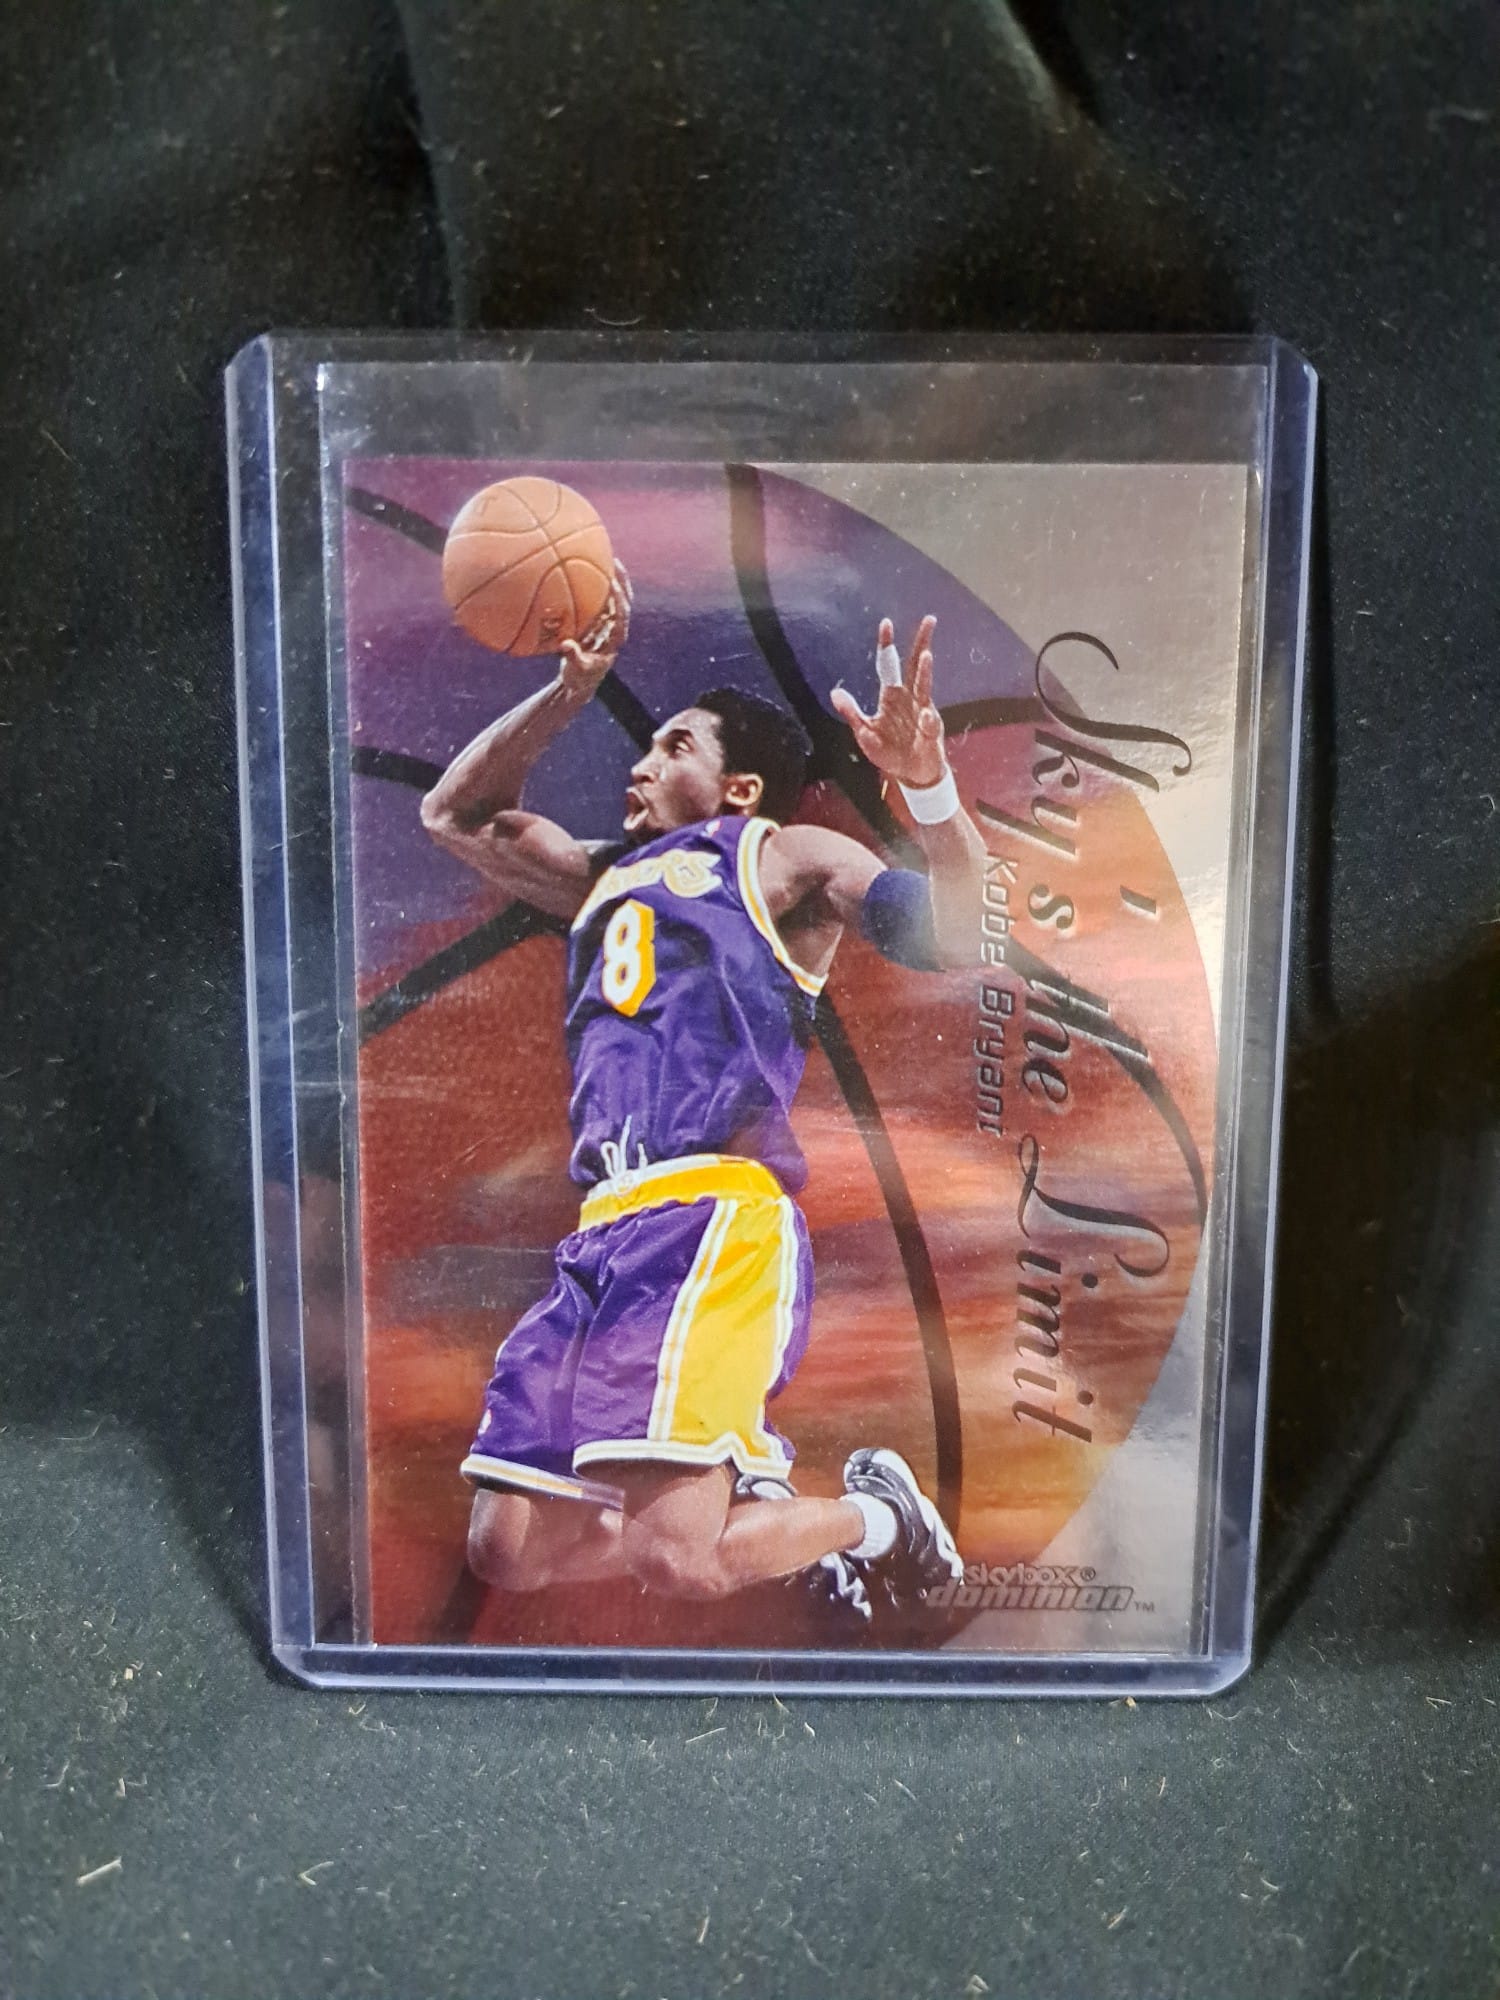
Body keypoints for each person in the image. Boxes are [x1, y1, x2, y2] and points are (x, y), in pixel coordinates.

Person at [420, 563, 987, 1617]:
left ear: (740, 789)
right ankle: (758, 1513)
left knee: (679, 1564)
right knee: (507, 1549)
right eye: (645, 744)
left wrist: (932, 793)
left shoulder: (779, 856)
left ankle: (879, 1519)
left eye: (675, 745)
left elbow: (957, 935)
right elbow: (454, 814)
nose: (641, 762)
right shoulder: (600, 875)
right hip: (602, 1227)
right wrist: (567, 693)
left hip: (709, 1219)